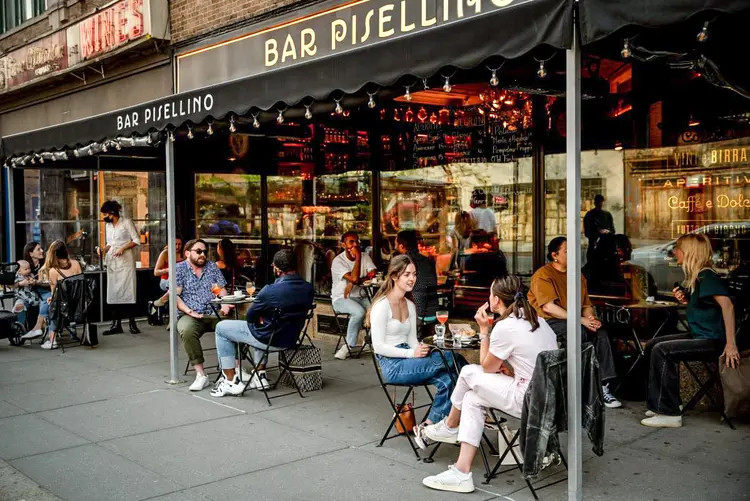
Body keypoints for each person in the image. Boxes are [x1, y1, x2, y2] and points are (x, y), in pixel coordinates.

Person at [421, 276, 557, 493]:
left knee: (467, 372)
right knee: (471, 398)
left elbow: (486, 368)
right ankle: (461, 472)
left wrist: (484, 330)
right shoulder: (537, 319)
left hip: (529, 399)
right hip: (550, 397)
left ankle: (450, 425)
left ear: (495, 300)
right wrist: (511, 370)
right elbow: (533, 362)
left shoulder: (506, 326)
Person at [641, 233, 740, 428]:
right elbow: (704, 307)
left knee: (662, 350)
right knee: (653, 344)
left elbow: (727, 306)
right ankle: (664, 403)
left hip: (713, 341)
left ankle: (669, 414)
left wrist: (731, 344)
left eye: (678, 248)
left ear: (688, 252)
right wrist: (687, 301)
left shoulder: (707, 276)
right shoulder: (697, 278)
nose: (674, 252)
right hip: (701, 336)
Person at [367, 255, 461, 441]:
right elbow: (378, 347)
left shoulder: (409, 304)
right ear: (394, 277)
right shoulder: (381, 306)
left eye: (414, 274)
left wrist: (420, 348)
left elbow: (412, 340)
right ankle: (477, 382)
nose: (412, 278)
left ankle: (427, 429)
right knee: (453, 361)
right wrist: (412, 353)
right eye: (406, 274)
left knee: (449, 380)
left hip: (410, 360)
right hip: (393, 365)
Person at [528, 236, 622, 409]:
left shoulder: (577, 275)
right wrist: (581, 320)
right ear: (554, 254)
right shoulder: (543, 275)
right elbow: (549, 308)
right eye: (567, 251)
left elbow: (586, 304)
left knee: (601, 332)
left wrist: (591, 319)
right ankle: (581, 387)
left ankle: (603, 386)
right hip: (550, 322)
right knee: (580, 332)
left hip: (576, 320)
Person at [211, 249, 314, 397]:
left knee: (221, 328)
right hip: (291, 339)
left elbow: (250, 316)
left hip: (268, 339)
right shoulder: (308, 288)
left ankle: (230, 380)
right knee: (264, 323)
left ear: (276, 269)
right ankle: (261, 375)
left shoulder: (270, 290)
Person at [175, 239, 233, 391]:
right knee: (187, 331)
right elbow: (176, 296)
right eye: (199, 251)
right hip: (191, 314)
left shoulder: (212, 266)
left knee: (239, 325)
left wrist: (224, 303)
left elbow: (221, 289)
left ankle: (234, 369)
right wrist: (189, 311)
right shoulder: (179, 269)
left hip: (215, 312)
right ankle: (201, 375)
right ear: (187, 253)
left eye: (205, 252)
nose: (203, 255)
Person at [96, 201, 141, 335]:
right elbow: (110, 243)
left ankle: (132, 323)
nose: (104, 216)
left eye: (105, 213)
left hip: (126, 262)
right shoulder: (108, 225)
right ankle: (116, 324)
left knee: (128, 291)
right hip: (113, 262)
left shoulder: (126, 222)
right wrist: (103, 249)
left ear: (112, 213)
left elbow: (136, 240)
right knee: (114, 292)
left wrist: (123, 248)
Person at [331, 231, 377, 360]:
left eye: (357, 241)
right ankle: (348, 346)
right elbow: (354, 278)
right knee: (359, 312)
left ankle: (368, 341)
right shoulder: (338, 261)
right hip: (341, 298)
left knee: (377, 311)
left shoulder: (365, 256)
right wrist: (357, 258)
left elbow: (373, 273)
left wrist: (352, 283)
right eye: (351, 242)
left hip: (360, 296)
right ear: (343, 245)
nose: (355, 244)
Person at [41, 240, 83, 350]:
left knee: (51, 306)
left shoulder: (53, 271)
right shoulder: (76, 264)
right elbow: (80, 284)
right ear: (66, 251)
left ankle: (52, 340)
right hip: (78, 303)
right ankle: (72, 326)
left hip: (64, 307)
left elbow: (54, 292)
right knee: (54, 304)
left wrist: (51, 299)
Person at [395, 230, 439, 323]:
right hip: (433, 311)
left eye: (396, 243)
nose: (395, 246)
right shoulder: (429, 261)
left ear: (401, 246)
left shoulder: (404, 262)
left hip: (417, 313)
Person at [20, 242, 50, 339]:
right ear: (30, 253)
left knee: (47, 297)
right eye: (38, 249)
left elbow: (51, 283)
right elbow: (14, 282)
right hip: (30, 295)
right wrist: (22, 283)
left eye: (41, 248)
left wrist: (36, 282)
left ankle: (38, 328)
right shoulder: (24, 267)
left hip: (43, 292)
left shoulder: (46, 265)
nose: (42, 251)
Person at [152, 236, 185, 308]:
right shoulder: (165, 253)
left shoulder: (185, 254)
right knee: (177, 283)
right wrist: (168, 270)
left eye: (179, 244)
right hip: (166, 281)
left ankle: (163, 300)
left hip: (182, 282)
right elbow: (156, 272)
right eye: (175, 244)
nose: (177, 247)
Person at [584, 194, 615, 262]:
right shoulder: (590, 215)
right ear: (595, 203)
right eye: (598, 202)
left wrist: (607, 231)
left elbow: (612, 230)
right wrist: (598, 233)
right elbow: (587, 232)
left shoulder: (607, 215)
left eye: (601, 202)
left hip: (606, 249)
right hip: (594, 248)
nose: (600, 203)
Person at [12, 260, 40, 328]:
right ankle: (17, 311)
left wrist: (33, 281)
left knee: (36, 304)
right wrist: (21, 283)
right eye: (26, 269)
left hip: (31, 296)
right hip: (21, 296)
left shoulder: (30, 275)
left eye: (29, 268)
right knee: (20, 304)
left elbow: (35, 282)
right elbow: (12, 285)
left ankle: (34, 325)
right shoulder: (16, 276)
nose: (28, 270)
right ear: (19, 271)